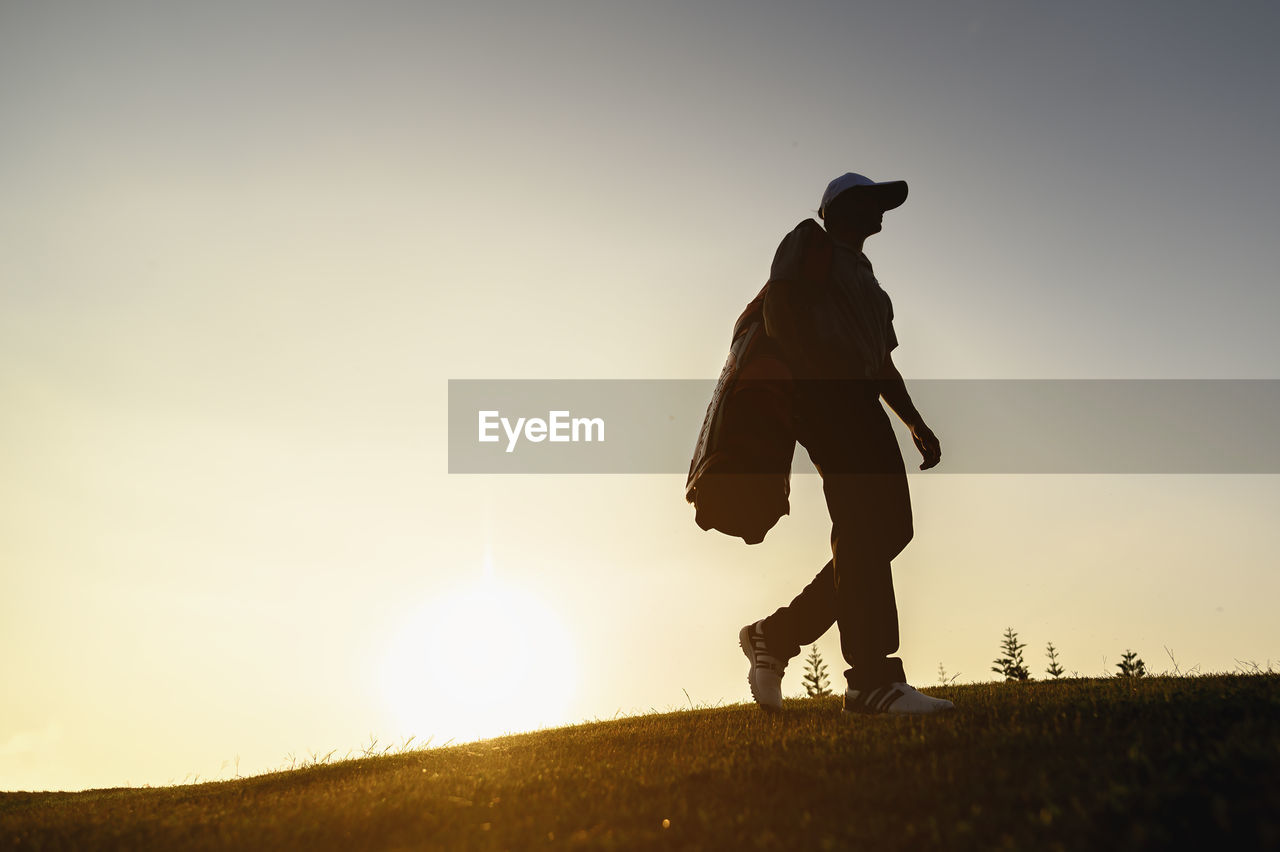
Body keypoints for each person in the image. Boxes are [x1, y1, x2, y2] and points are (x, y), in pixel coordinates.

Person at [738, 172, 954, 715]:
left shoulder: (870, 282)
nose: (880, 209)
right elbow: (779, 310)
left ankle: (776, 636)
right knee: (862, 530)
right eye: (868, 200)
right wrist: (818, 383)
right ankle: (871, 679)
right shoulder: (809, 242)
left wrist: (914, 422)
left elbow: (882, 363)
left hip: (862, 406)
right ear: (837, 209)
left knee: (888, 532)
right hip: (828, 404)